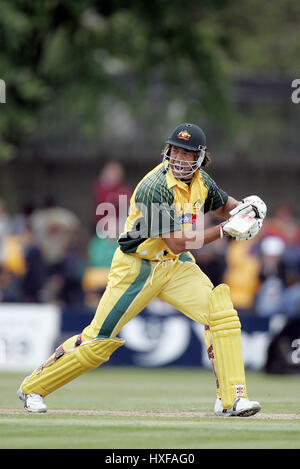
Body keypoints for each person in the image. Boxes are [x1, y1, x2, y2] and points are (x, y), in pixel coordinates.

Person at [17, 123, 266, 416]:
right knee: (98, 341)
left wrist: (247, 208)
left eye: (187, 154)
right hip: (137, 267)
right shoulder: (154, 187)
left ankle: (232, 400)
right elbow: (177, 242)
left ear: (200, 157)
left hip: (174, 267)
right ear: (167, 150)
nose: (179, 158)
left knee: (221, 313)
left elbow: (225, 206)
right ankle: (33, 386)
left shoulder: (202, 181)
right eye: (175, 150)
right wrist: (226, 230)